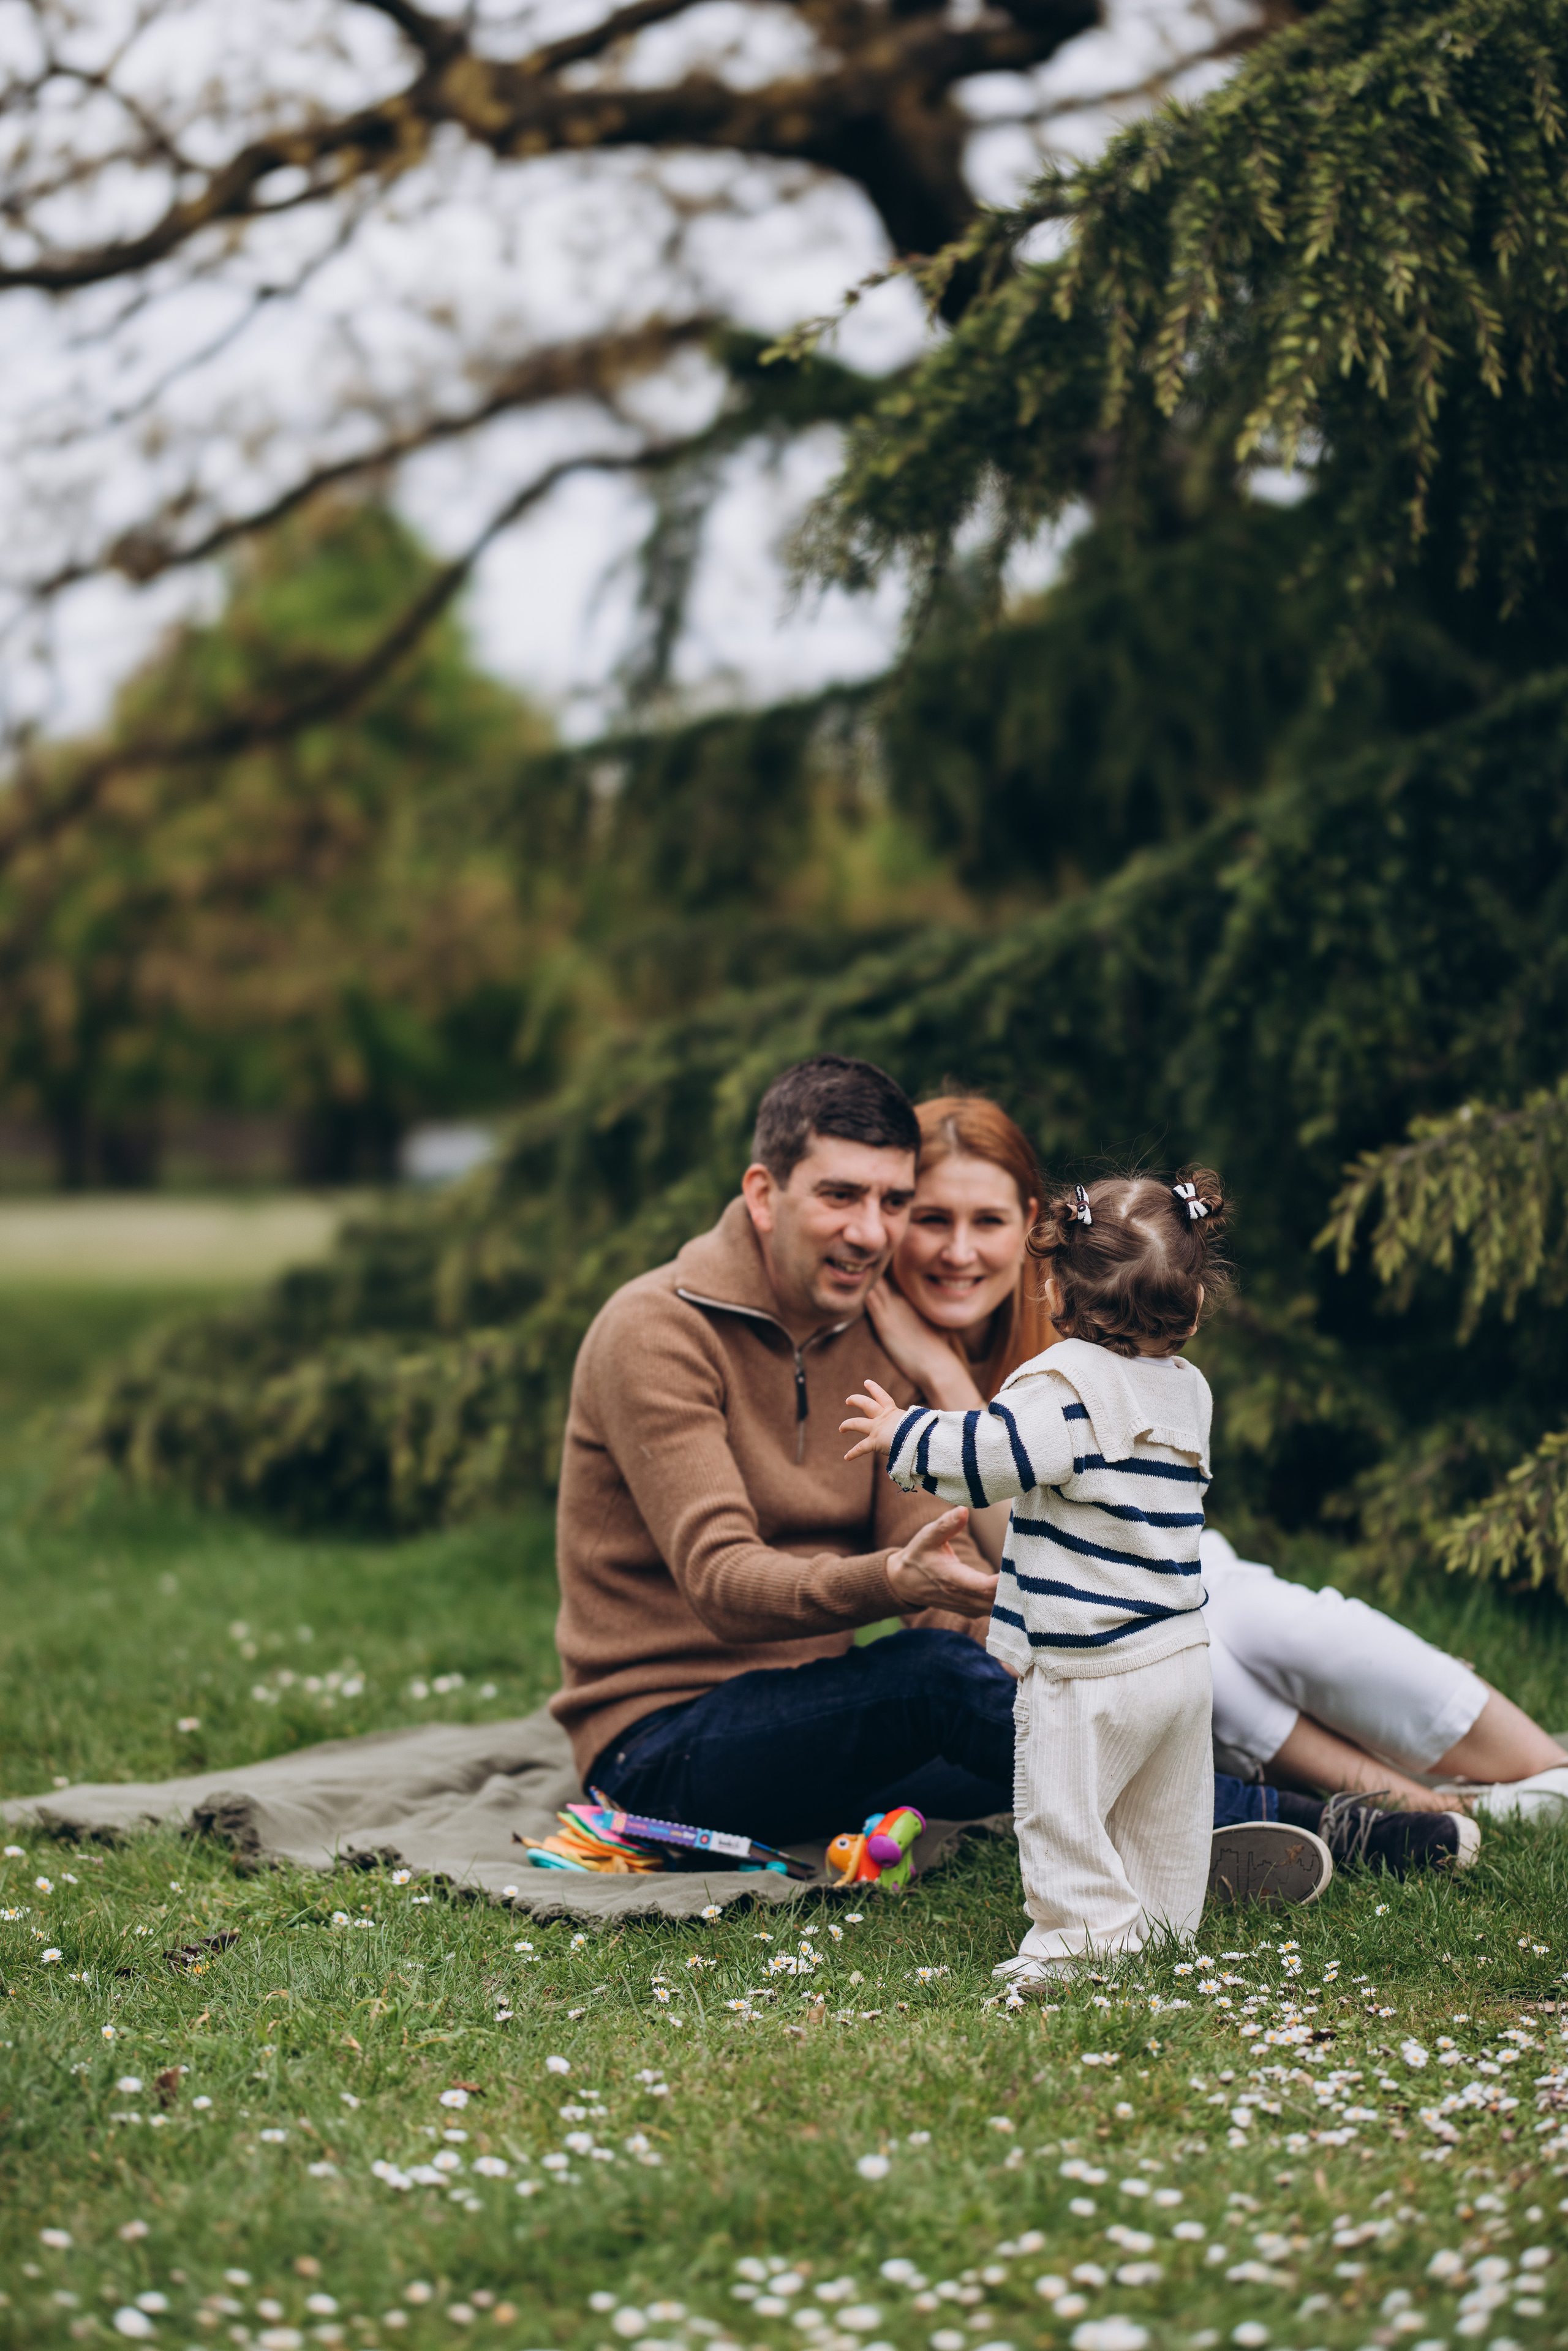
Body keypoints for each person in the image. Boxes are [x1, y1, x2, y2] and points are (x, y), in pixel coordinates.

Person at [870, 1094, 1558, 1852]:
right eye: (934, 1219)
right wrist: (938, 1374)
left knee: (1301, 1625)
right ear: (897, 1219)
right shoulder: (886, 1382)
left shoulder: (1073, 1315)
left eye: (987, 1222)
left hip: (1178, 1563)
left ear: (1034, 1227)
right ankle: (1420, 1809)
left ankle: (1541, 1767)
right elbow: (999, 1537)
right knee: (1206, 1661)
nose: (959, 1251)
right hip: (1091, 1619)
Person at [551, 1054, 1017, 1844]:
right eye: (840, 1195)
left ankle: (1255, 1811)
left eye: (894, 1201)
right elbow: (721, 1577)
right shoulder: (655, 1329)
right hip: (657, 1750)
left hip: (814, 1720)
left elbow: (932, 1558)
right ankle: (1219, 1822)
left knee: (1027, 1717)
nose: (872, 1232)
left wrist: (1014, 1655)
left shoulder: (882, 1335)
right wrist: (892, 1583)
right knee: (936, 1688)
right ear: (764, 1196)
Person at [845, 1166, 1227, 1980]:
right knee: (1164, 1814)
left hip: (1089, 1665)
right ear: (1193, 1303)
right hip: (1180, 1654)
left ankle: (1082, 1945)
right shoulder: (1188, 1390)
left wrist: (900, 1433)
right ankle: (1161, 1931)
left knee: (1065, 1813)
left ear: (1052, 1290)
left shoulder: (1064, 1385)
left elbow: (990, 1458)